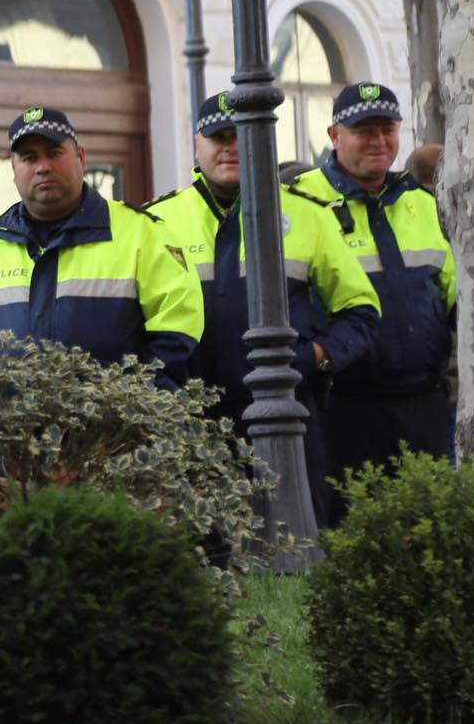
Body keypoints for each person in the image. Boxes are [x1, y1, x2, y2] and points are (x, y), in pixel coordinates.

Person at [149, 92, 381, 522]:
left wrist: (312, 357)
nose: (231, 147)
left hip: (290, 413)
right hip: (191, 416)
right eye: (219, 137)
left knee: (296, 540)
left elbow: (360, 310)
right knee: (208, 546)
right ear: (196, 144)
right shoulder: (157, 221)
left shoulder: (306, 215)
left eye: (241, 135)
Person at [0, 105, 203, 389]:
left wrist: (135, 405)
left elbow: (177, 329)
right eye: (29, 157)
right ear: (13, 169)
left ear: (81, 157)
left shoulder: (143, 233)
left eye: (53, 153)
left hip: (114, 430)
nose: (43, 167)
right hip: (13, 432)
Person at [291, 81, 457, 488]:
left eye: (387, 130)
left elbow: (455, 297)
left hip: (427, 408)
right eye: (365, 131)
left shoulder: (422, 201)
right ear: (334, 135)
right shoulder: (299, 202)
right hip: (344, 410)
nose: (378, 141)